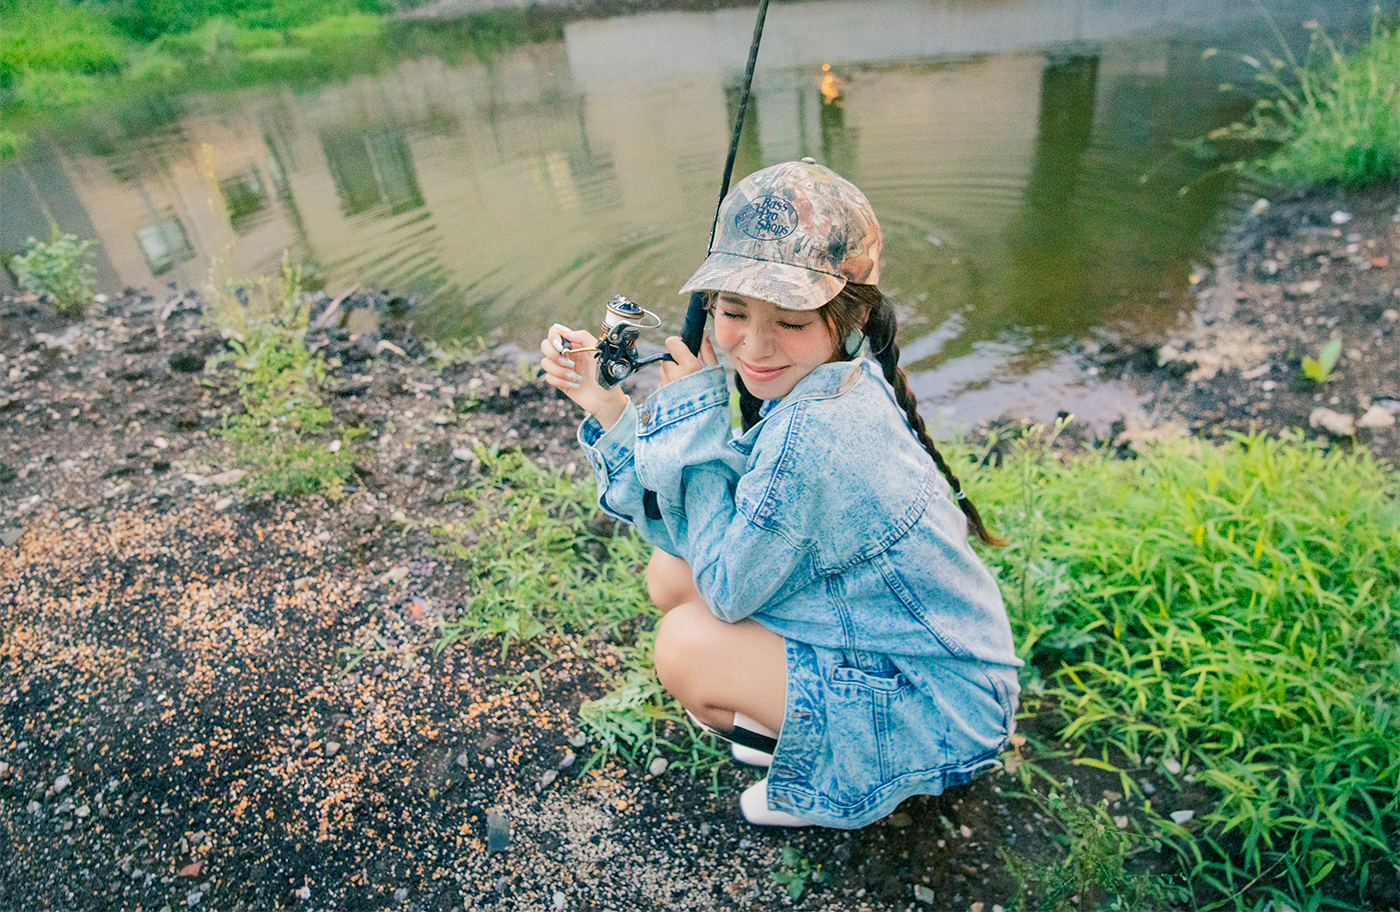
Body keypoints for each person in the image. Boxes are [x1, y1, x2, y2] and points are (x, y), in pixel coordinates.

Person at [539, 159, 1021, 829]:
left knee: (684, 644)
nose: (756, 346)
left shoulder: (815, 436)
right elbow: (705, 535)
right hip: (938, 673)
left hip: (946, 715)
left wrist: (697, 414)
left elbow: (730, 586)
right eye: (734, 312)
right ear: (712, 310)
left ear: (848, 319)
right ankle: (806, 735)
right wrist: (608, 402)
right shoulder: (837, 380)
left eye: (791, 321)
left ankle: (833, 774)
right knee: (670, 573)